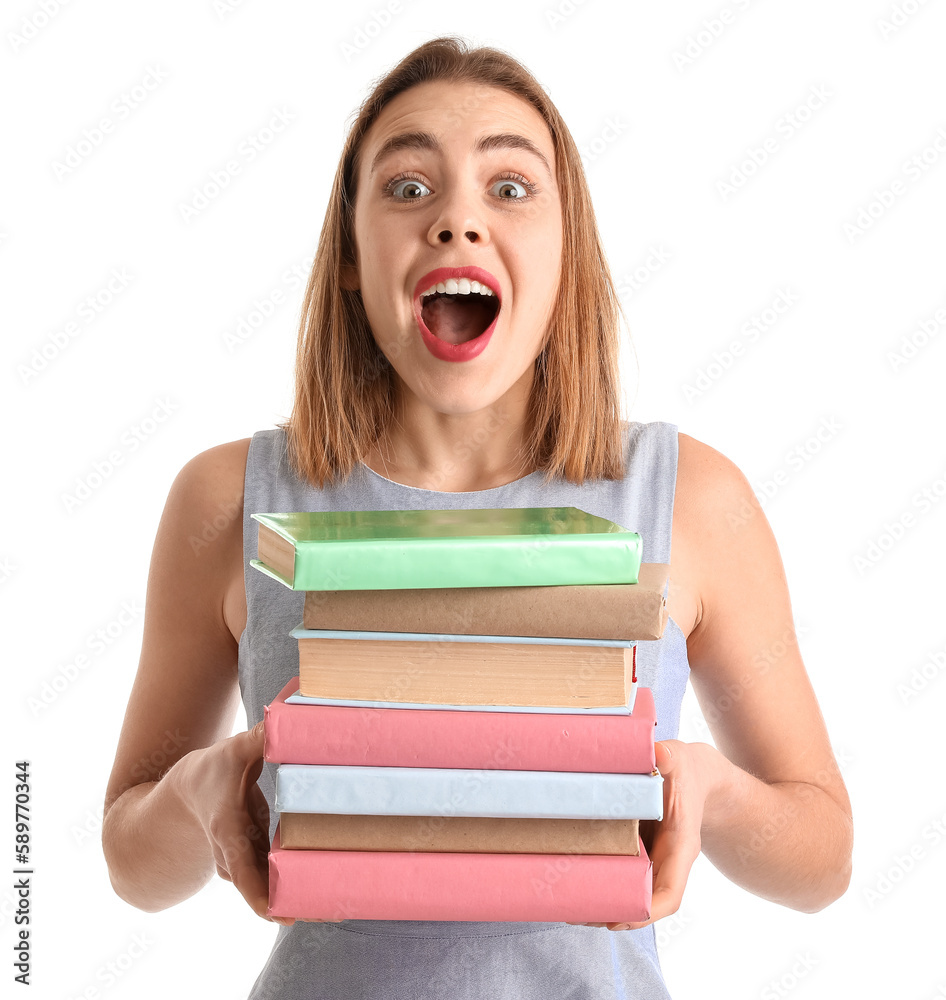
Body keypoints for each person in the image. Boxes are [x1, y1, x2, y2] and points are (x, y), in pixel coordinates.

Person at [102, 35, 853, 999]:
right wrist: (193, 794)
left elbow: (823, 860)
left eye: (510, 187)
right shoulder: (227, 501)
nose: (457, 219)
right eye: (409, 188)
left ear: (564, 248)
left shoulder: (693, 497)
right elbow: (131, 863)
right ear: (348, 254)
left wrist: (713, 792)